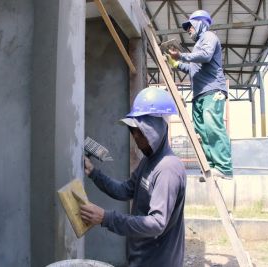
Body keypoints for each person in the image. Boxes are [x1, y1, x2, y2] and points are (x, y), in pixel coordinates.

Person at [80, 87, 187, 267]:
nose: (135, 136)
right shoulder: (148, 161)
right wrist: (93, 173)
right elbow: (125, 190)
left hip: (158, 262)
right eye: (132, 130)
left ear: (156, 128)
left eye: (140, 130)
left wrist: (106, 218)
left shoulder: (168, 169)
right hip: (140, 257)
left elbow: (156, 223)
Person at [166, 10, 233, 180]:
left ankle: (224, 167)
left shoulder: (209, 36)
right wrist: (176, 63)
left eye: (190, 26)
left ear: (201, 23)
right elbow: (191, 69)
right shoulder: (197, 46)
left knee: (212, 126)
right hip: (199, 95)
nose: (188, 30)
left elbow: (205, 55)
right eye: (187, 27)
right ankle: (212, 166)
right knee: (203, 131)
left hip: (212, 90)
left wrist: (181, 55)